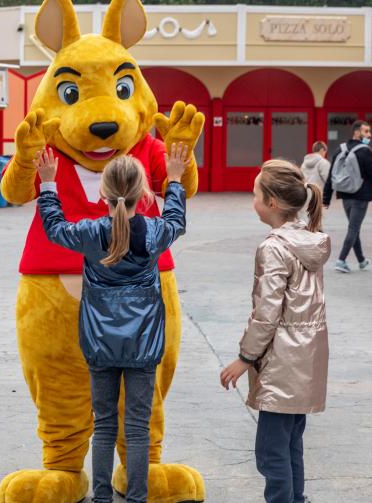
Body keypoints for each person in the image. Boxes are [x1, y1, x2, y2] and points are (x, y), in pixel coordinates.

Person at [35, 143, 190, 503]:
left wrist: (47, 184)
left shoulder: (91, 233)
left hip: (100, 343)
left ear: (103, 192)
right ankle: (136, 498)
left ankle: (102, 497)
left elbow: (55, 228)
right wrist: (176, 179)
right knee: (137, 428)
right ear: (143, 193)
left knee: (103, 426)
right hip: (144, 344)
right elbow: (177, 221)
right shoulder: (154, 233)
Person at [220, 159, 330, 503]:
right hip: (307, 358)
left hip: (283, 363)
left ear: (271, 202)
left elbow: (266, 313)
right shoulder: (307, 241)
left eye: (255, 193)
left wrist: (244, 358)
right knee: (290, 443)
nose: (251, 199)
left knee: (270, 452)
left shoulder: (273, 247)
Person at [323, 120, 372, 273]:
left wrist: (326, 198)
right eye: (366, 131)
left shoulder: (340, 149)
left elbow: (331, 175)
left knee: (354, 228)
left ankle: (361, 260)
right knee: (353, 228)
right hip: (360, 197)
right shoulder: (365, 151)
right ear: (356, 132)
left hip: (345, 195)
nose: (370, 135)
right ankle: (341, 260)